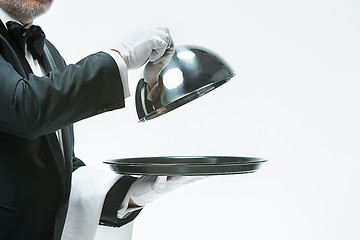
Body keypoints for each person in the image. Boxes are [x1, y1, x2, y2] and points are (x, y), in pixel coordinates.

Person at [0, 0, 197, 239]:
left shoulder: (48, 52)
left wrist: (130, 194)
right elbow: (25, 108)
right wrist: (118, 58)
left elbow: (57, 168)